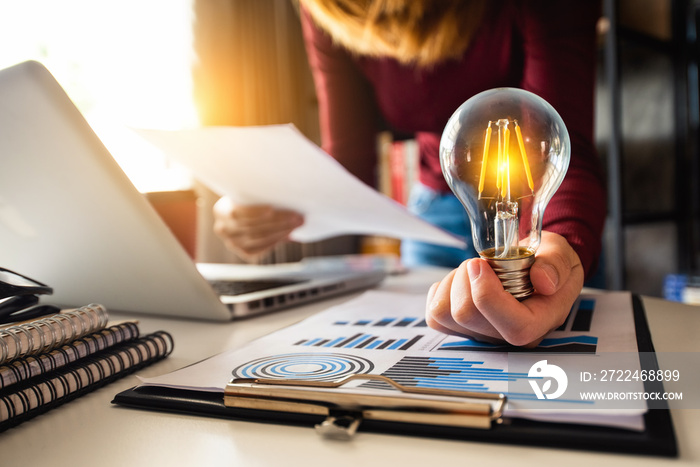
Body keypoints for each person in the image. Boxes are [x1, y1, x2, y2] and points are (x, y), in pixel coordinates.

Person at [213, 0, 606, 347]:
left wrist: (561, 249)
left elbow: (562, 146)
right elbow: (349, 162)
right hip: (432, 213)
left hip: (543, 212)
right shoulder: (331, 9)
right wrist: (260, 196)